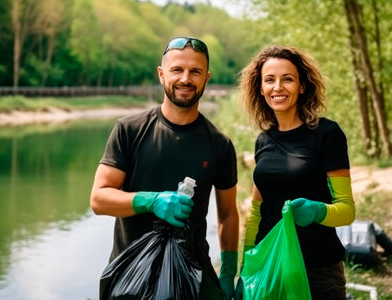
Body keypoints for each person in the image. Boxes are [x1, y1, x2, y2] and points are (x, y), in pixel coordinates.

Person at [90, 36, 239, 300]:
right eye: (177, 70)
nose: (185, 79)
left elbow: (227, 215)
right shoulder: (129, 130)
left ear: (206, 77)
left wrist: (228, 273)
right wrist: (151, 201)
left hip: (193, 282)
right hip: (129, 278)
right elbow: (99, 199)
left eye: (195, 72)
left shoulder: (219, 144)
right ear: (161, 74)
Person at [235, 45, 356, 300]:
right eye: (270, 80)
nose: (278, 87)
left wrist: (317, 211)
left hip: (318, 271)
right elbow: (256, 211)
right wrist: (247, 267)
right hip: (270, 267)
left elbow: (346, 211)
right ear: (260, 88)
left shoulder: (327, 134)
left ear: (302, 86)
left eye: (287, 79)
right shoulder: (263, 141)